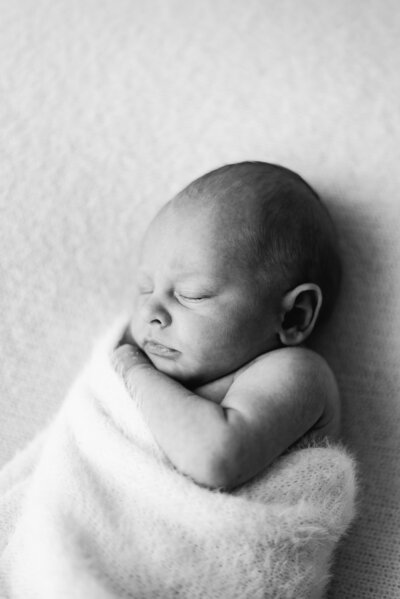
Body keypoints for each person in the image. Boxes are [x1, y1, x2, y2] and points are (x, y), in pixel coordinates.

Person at [112, 161, 342, 491]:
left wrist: (131, 369)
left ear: (294, 316)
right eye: (145, 288)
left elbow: (215, 458)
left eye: (192, 294)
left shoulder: (296, 372)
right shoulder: (168, 361)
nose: (150, 310)